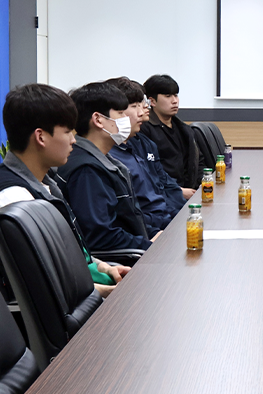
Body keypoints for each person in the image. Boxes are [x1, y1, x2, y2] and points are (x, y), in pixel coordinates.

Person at [0, 84, 130, 298]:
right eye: (68, 131)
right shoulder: (15, 200)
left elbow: (73, 253)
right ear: (41, 137)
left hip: (87, 291)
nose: (73, 140)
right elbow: (45, 285)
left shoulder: (47, 184)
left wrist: (105, 268)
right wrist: (109, 293)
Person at [56, 82, 160, 252]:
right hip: (125, 264)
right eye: (120, 113)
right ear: (98, 120)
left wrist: (155, 234)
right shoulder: (87, 170)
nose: (126, 119)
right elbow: (101, 237)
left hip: (137, 250)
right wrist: (150, 246)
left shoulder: (104, 159)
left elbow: (129, 219)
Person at [105, 77, 185, 231]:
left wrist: (181, 215)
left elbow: (164, 185)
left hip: (166, 219)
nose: (143, 112)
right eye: (135, 106)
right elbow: (129, 217)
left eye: (142, 105)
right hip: (151, 230)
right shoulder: (109, 156)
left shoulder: (143, 142)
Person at [139, 74, 203, 189]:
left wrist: (202, 184)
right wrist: (177, 191)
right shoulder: (144, 129)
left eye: (176, 95)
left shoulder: (184, 129)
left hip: (190, 191)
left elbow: (198, 161)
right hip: (167, 194)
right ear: (152, 101)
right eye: (168, 96)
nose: (174, 101)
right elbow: (148, 171)